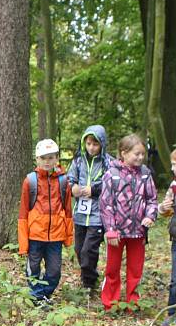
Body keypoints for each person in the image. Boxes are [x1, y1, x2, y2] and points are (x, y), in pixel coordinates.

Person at [99, 134, 158, 311]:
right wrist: (110, 229)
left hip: (138, 231)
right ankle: (111, 304)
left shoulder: (146, 174)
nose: (140, 157)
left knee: (135, 270)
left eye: (142, 154)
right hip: (116, 232)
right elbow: (106, 203)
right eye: (136, 154)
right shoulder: (112, 174)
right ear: (123, 153)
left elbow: (152, 199)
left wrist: (150, 215)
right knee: (112, 268)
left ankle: (133, 302)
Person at [18, 139, 74, 307]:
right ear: (37, 159)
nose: (47, 161)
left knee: (55, 271)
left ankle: (43, 294)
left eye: (51, 158)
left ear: (57, 158)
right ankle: (37, 297)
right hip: (35, 234)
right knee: (33, 268)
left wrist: (68, 237)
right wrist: (23, 242)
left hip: (56, 236)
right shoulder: (30, 181)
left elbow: (68, 210)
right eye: (44, 158)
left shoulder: (64, 181)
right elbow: (23, 213)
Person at [66, 125, 113, 294]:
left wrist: (93, 189)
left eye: (95, 144)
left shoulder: (108, 162)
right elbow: (70, 180)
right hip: (80, 214)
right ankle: (89, 276)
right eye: (88, 143)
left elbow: (111, 184)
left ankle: (89, 282)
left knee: (88, 250)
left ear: (102, 144)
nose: (91, 147)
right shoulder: (78, 161)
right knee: (79, 250)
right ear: (84, 143)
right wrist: (73, 188)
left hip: (98, 215)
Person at [157, 148, 176, 326]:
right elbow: (164, 211)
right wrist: (163, 207)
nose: (173, 169)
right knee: (175, 279)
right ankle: (172, 313)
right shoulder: (173, 186)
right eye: (172, 165)